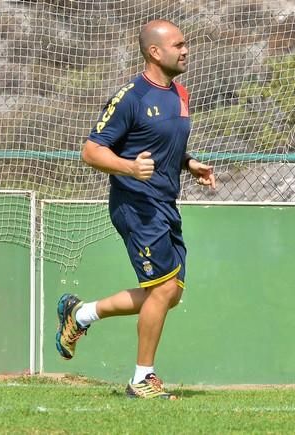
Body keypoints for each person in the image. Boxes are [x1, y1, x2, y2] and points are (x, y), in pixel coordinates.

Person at [55, 19, 215, 400]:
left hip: (165, 203)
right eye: (178, 44)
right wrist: (129, 168)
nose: (186, 50)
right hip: (135, 205)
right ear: (154, 52)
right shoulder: (131, 96)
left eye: (185, 43)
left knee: (169, 293)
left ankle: (81, 314)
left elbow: (162, 144)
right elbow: (91, 151)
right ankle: (142, 379)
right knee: (163, 288)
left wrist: (188, 163)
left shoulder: (180, 94)